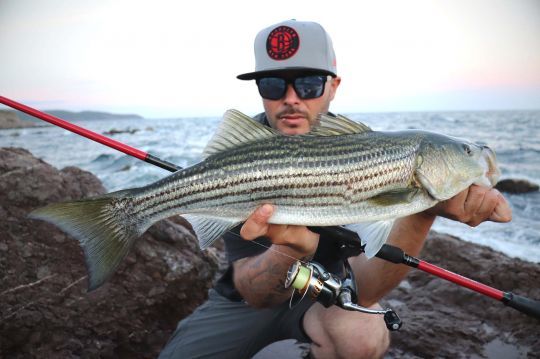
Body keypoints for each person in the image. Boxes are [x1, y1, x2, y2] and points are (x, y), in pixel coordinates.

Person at [159, 19, 512, 358]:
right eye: (272, 85)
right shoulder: (241, 159)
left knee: (362, 337)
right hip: (247, 299)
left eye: (309, 83)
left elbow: (368, 288)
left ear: (333, 86)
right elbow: (254, 292)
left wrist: (423, 211)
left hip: (325, 295)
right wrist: (290, 249)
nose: (292, 98)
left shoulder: (370, 150)